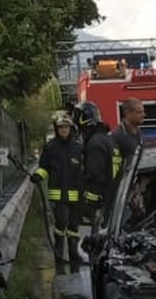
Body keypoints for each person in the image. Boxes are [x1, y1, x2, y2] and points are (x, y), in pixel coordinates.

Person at [32, 111, 84, 270]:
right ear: (56, 128)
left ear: (71, 128)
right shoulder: (51, 147)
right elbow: (44, 167)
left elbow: (85, 169)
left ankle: (74, 254)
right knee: (61, 223)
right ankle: (59, 253)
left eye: (66, 127)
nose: (63, 130)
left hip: (76, 194)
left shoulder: (78, 147)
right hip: (58, 194)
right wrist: (38, 176)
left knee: (74, 226)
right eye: (60, 127)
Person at [75, 100, 121, 234]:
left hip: (100, 205)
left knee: (93, 241)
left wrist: (89, 205)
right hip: (113, 200)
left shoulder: (95, 144)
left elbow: (94, 175)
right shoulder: (108, 140)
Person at [111, 98, 146, 221]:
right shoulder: (118, 136)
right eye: (139, 112)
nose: (143, 115)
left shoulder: (138, 133)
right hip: (124, 191)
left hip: (137, 187)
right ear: (128, 113)